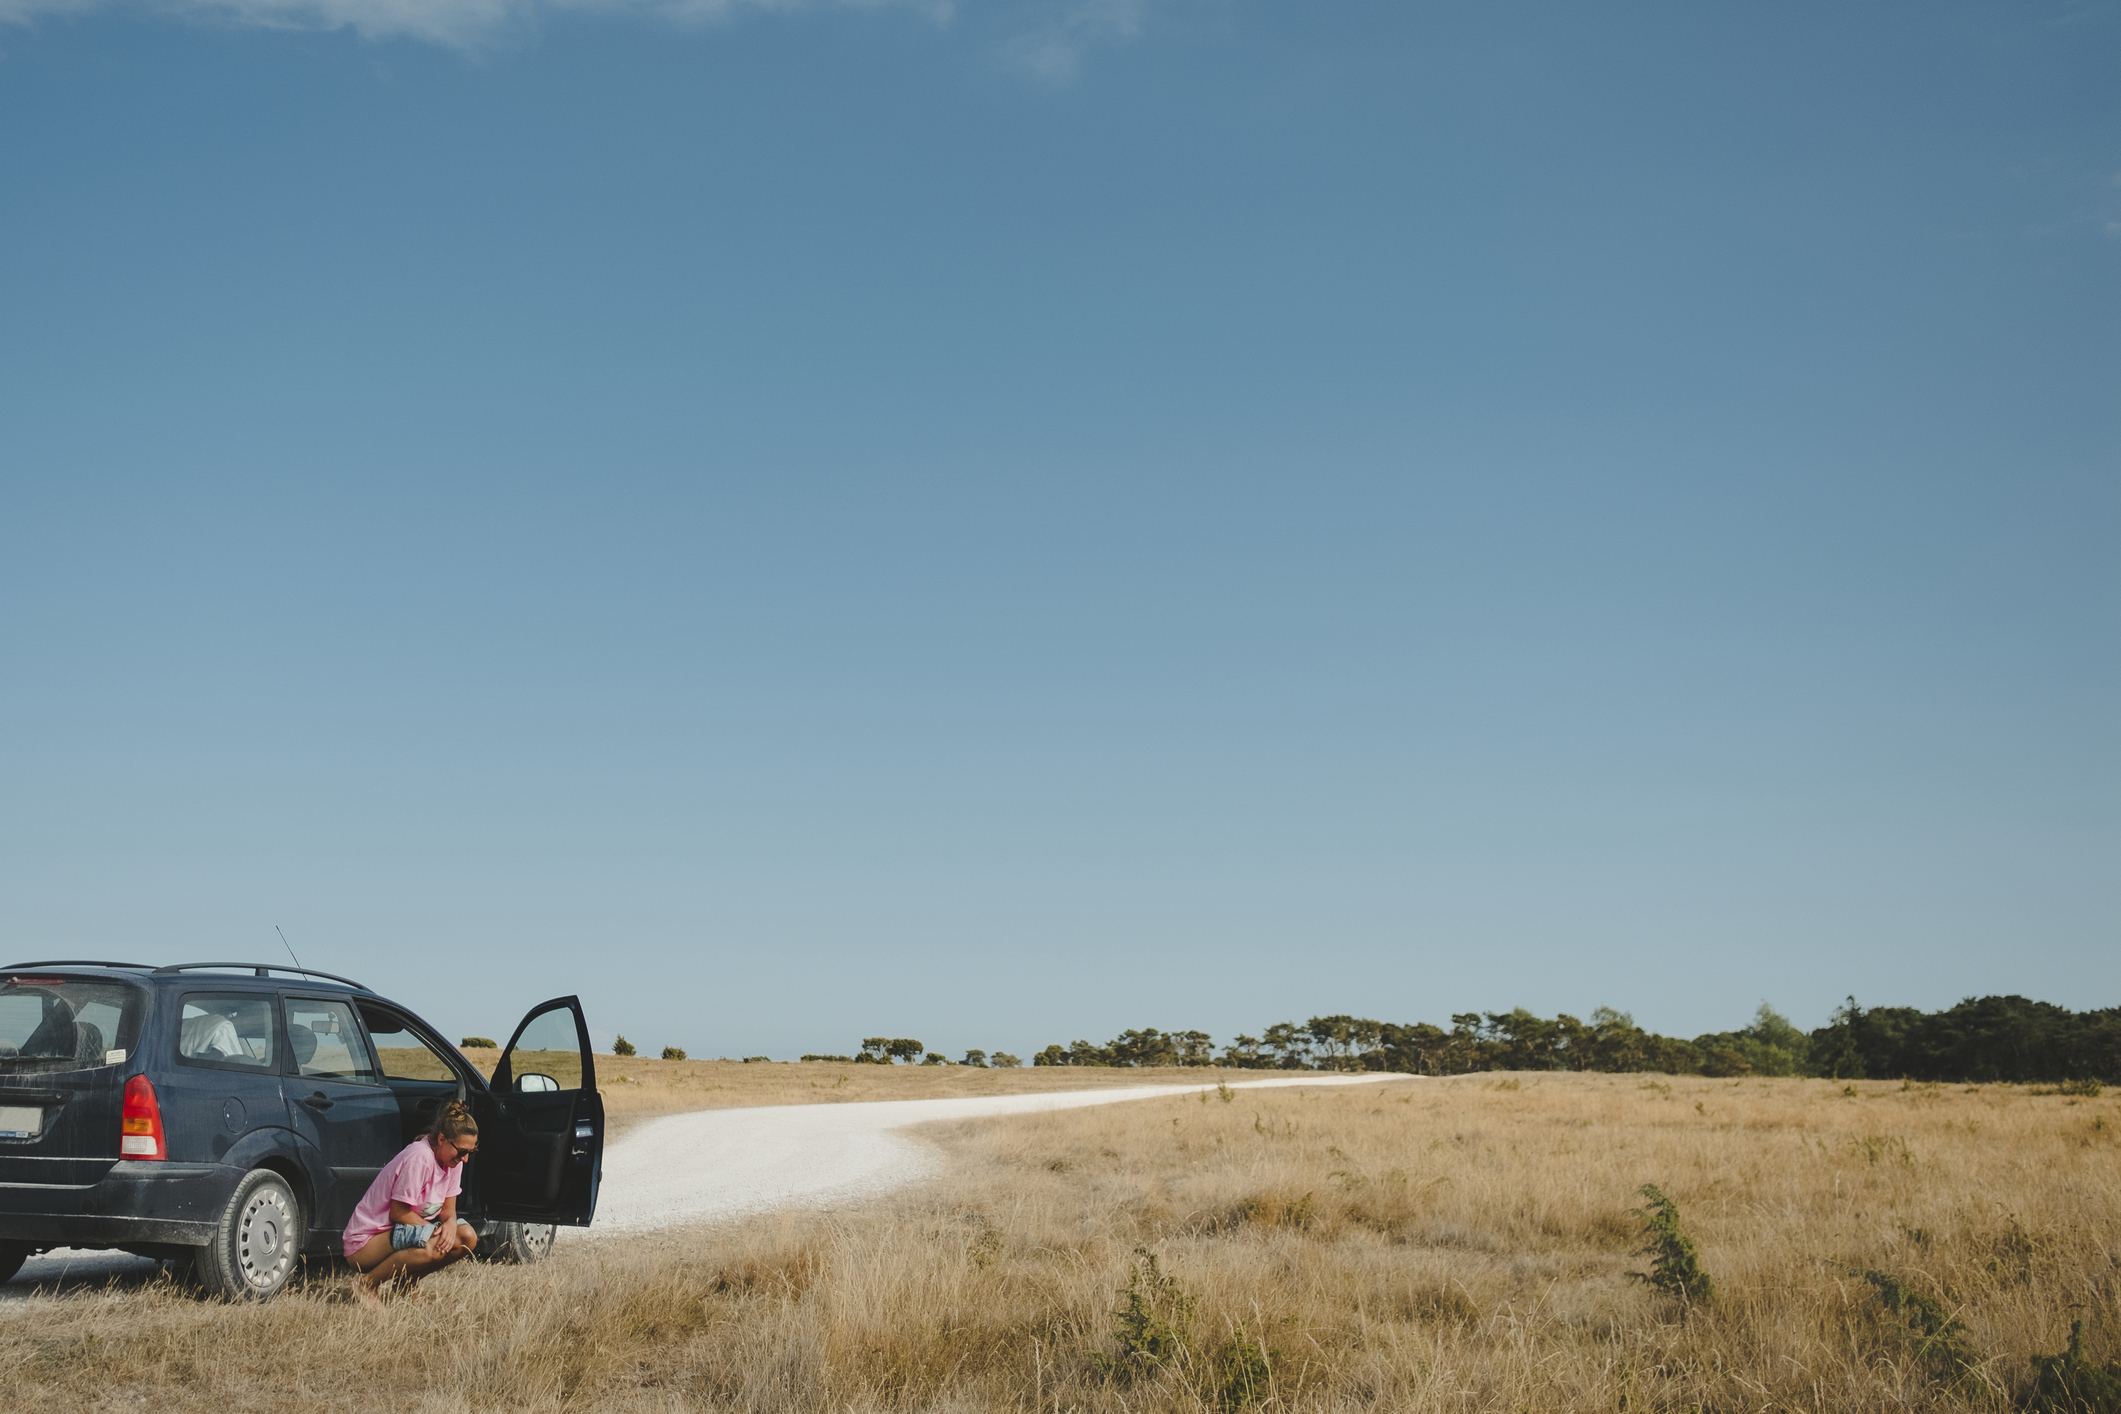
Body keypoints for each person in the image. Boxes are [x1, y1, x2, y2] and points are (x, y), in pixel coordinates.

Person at [343, 1100, 481, 1307]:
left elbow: (448, 1210)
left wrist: (450, 1225)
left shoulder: (454, 1161)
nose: (465, 1159)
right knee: (434, 1245)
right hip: (366, 1243)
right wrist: (435, 1230)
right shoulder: (420, 1157)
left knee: (467, 1237)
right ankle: (367, 1285)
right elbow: (398, 1213)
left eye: (471, 1152)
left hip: (399, 1232)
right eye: (461, 1151)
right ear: (442, 1139)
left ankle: (407, 1283)